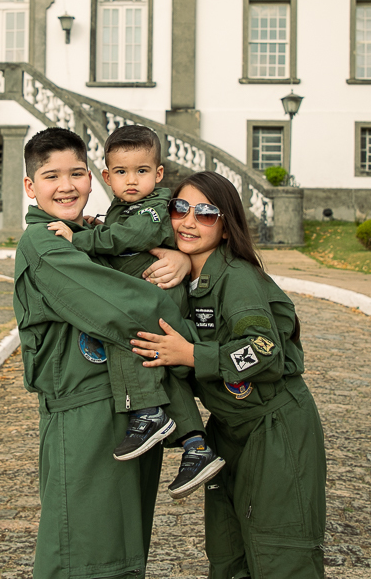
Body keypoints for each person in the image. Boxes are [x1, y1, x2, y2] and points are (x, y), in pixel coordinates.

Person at [13, 127, 193, 579]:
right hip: (84, 415)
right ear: (31, 188)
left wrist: (183, 260)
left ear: (94, 178)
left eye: (77, 173)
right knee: (84, 557)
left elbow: (137, 265)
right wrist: (192, 339)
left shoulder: (90, 232)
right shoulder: (45, 243)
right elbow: (129, 306)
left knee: (123, 554)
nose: (67, 185)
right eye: (51, 176)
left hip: (131, 410)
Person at [132, 170, 327, 579]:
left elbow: (264, 351)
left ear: (225, 226)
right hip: (228, 429)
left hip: (274, 428)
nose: (188, 221)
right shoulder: (190, 278)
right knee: (228, 552)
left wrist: (191, 354)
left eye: (205, 213)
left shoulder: (236, 278)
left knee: (279, 552)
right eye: (180, 209)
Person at [47, 124, 223, 498]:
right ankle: (197, 446)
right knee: (160, 367)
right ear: (107, 177)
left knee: (132, 344)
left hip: (158, 298)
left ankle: (148, 413)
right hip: (146, 295)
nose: (132, 181)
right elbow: (119, 231)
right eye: (122, 173)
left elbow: (130, 237)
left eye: (142, 171)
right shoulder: (123, 207)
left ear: (158, 174)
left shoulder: (155, 206)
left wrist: (81, 238)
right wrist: (95, 223)